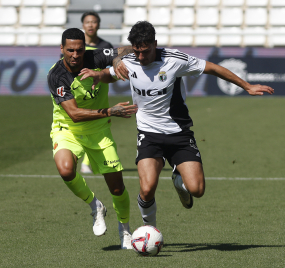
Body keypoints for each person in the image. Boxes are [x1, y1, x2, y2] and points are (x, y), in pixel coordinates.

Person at [82, 21, 274, 228]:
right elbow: (110, 74)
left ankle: (178, 179)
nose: (140, 57)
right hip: (149, 134)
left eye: (145, 52)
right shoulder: (128, 61)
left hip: (179, 134)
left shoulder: (175, 59)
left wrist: (247, 86)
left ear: (155, 44)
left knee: (197, 190)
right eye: (137, 51)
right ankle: (149, 230)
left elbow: (212, 68)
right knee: (147, 189)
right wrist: (98, 75)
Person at [47, 28, 138, 249]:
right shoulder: (56, 75)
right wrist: (111, 111)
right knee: (66, 169)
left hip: (99, 131)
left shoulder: (95, 55)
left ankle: (125, 230)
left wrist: (116, 60)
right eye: (70, 50)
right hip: (68, 128)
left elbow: (128, 50)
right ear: (62, 49)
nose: (76, 55)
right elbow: (75, 115)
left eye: (79, 50)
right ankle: (95, 205)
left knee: (117, 188)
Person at [80, 11, 114, 174]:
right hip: (79, 89)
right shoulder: (75, 45)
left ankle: (87, 162)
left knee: (96, 123)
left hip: (99, 89)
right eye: (88, 22)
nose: (91, 25)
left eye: (94, 22)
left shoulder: (106, 46)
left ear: (98, 25)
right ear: (83, 25)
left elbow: (111, 69)